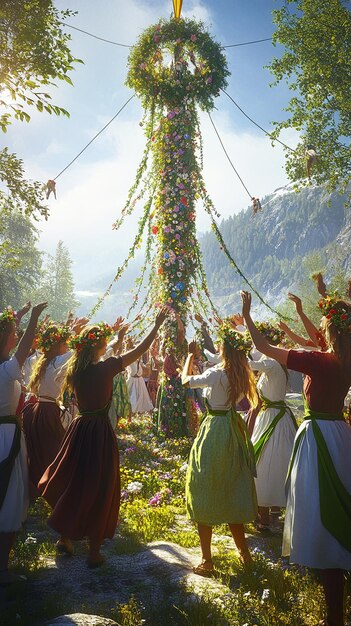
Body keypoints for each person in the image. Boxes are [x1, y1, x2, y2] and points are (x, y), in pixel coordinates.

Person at [241, 290, 351, 626]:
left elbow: (264, 348)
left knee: (318, 510)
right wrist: (309, 309)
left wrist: (247, 317)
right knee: (340, 505)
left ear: (330, 332)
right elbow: (320, 337)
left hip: (318, 439)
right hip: (341, 437)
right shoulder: (344, 360)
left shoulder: (320, 361)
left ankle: (333, 613)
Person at [39, 309, 167, 568]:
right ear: (99, 347)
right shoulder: (106, 368)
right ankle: (94, 551)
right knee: (101, 485)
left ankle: (65, 537)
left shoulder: (77, 369)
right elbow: (139, 351)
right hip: (99, 432)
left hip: (78, 429)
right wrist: (155, 326)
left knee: (75, 480)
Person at [181, 322, 258, 576]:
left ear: (224, 348)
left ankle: (207, 560)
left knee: (205, 484)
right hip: (233, 428)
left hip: (214, 429)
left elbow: (185, 381)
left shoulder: (217, 373)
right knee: (232, 487)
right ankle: (245, 556)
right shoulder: (241, 372)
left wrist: (190, 355)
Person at [0, 301, 47, 586]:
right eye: (12, 333)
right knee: (10, 495)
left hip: (7, 433)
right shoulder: (7, 370)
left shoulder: (6, 368)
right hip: (6, 438)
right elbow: (25, 344)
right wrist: (33, 319)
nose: (16, 336)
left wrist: (18, 316)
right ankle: (2, 570)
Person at [248, 323, 297, 530]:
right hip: (278, 416)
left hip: (272, 417)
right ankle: (274, 510)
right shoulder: (279, 362)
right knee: (278, 459)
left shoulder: (270, 361)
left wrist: (235, 350)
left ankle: (265, 516)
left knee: (266, 461)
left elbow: (248, 364)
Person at [22, 323, 72, 492]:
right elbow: (77, 353)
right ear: (58, 346)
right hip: (49, 410)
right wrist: (77, 334)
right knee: (54, 450)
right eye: (64, 344)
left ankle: (40, 486)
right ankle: (52, 487)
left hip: (38, 409)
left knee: (42, 450)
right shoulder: (57, 361)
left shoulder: (43, 360)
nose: (67, 347)